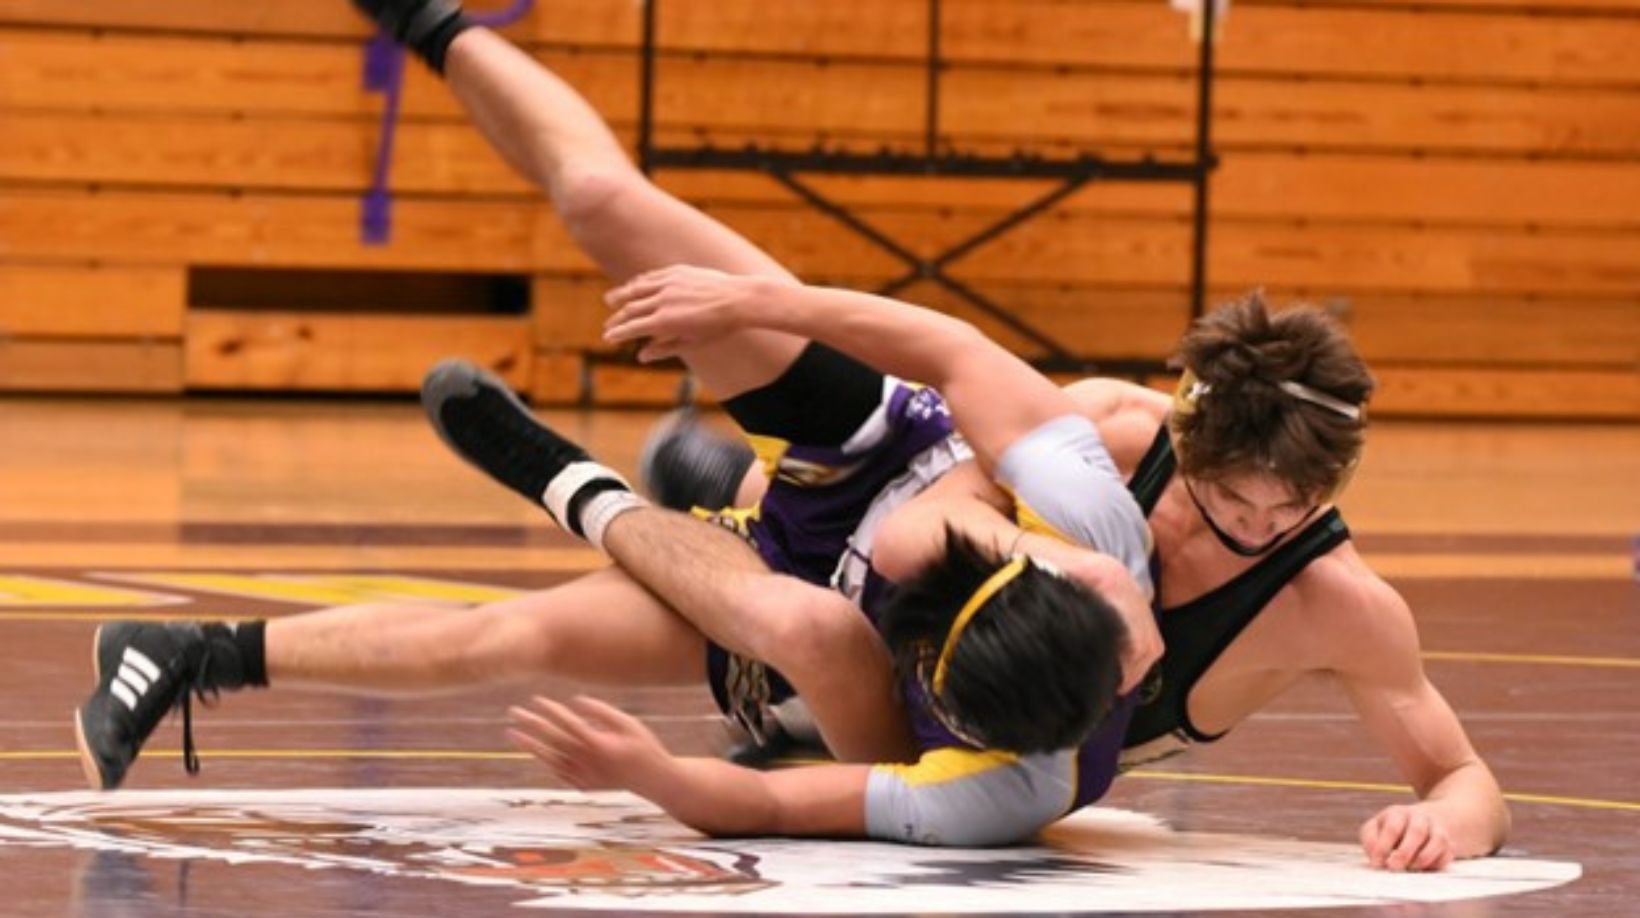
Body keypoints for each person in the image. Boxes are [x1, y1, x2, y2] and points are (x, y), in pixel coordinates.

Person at [71, 0, 1159, 848]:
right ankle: (431, 24)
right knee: (601, 205)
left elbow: (782, 810)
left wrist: (651, 774)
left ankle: (189, 651)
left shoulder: (994, 790)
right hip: (877, 455)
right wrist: (759, 306)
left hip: (804, 622)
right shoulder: (1094, 557)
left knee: (530, 639)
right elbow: (960, 355)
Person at [611, 281, 1513, 872]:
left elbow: (1464, 776)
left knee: (879, 753)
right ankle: (712, 486)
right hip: (913, 584)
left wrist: (1448, 826)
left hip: (996, 726)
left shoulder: (1340, 604)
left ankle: (716, 490)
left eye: (1292, 510)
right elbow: (917, 531)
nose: (1259, 531)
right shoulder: (1114, 432)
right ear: (1187, 439)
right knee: (820, 584)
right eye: (1233, 503)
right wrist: (1083, 570)